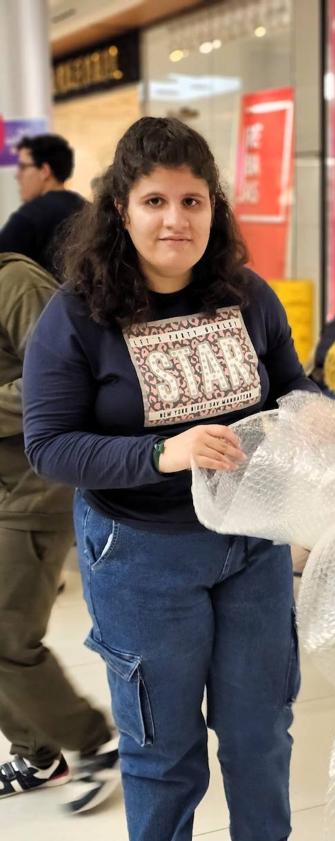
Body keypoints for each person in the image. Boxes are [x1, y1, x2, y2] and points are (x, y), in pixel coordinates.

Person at [22, 117, 317, 841]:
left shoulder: (247, 295)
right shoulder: (77, 314)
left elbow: (290, 389)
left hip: (252, 542)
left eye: (192, 201)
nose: (175, 220)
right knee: (163, 752)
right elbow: (50, 445)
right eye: (155, 201)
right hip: (141, 554)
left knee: (260, 736)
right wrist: (161, 454)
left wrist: (317, 415)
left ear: (214, 208)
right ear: (121, 208)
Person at [0, 252, 119, 812]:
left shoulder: (16, 283)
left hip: (31, 490)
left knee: (6, 637)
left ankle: (95, 744)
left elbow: (65, 378)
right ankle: (37, 754)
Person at [0, 134, 85, 273]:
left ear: (45, 171)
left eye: (23, 167)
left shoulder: (31, 215)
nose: (17, 175)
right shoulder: (87, 209)